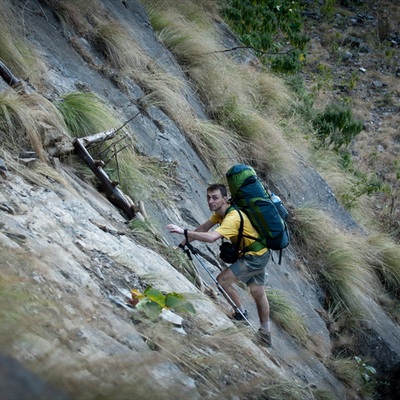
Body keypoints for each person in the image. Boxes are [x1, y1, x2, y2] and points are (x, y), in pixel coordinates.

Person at [166, 183, 272, 347]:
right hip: (260, 252)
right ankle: (265, 334)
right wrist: (181, 245)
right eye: (208, 197)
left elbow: (211, 237)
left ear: (225, 199)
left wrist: (183, 231)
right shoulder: (220, 213)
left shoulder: (232, 218)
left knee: (222, 282)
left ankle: (240, 315)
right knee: (258, 292)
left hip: (254, 256)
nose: (210, 201)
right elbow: (203, 228)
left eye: (215, 198)